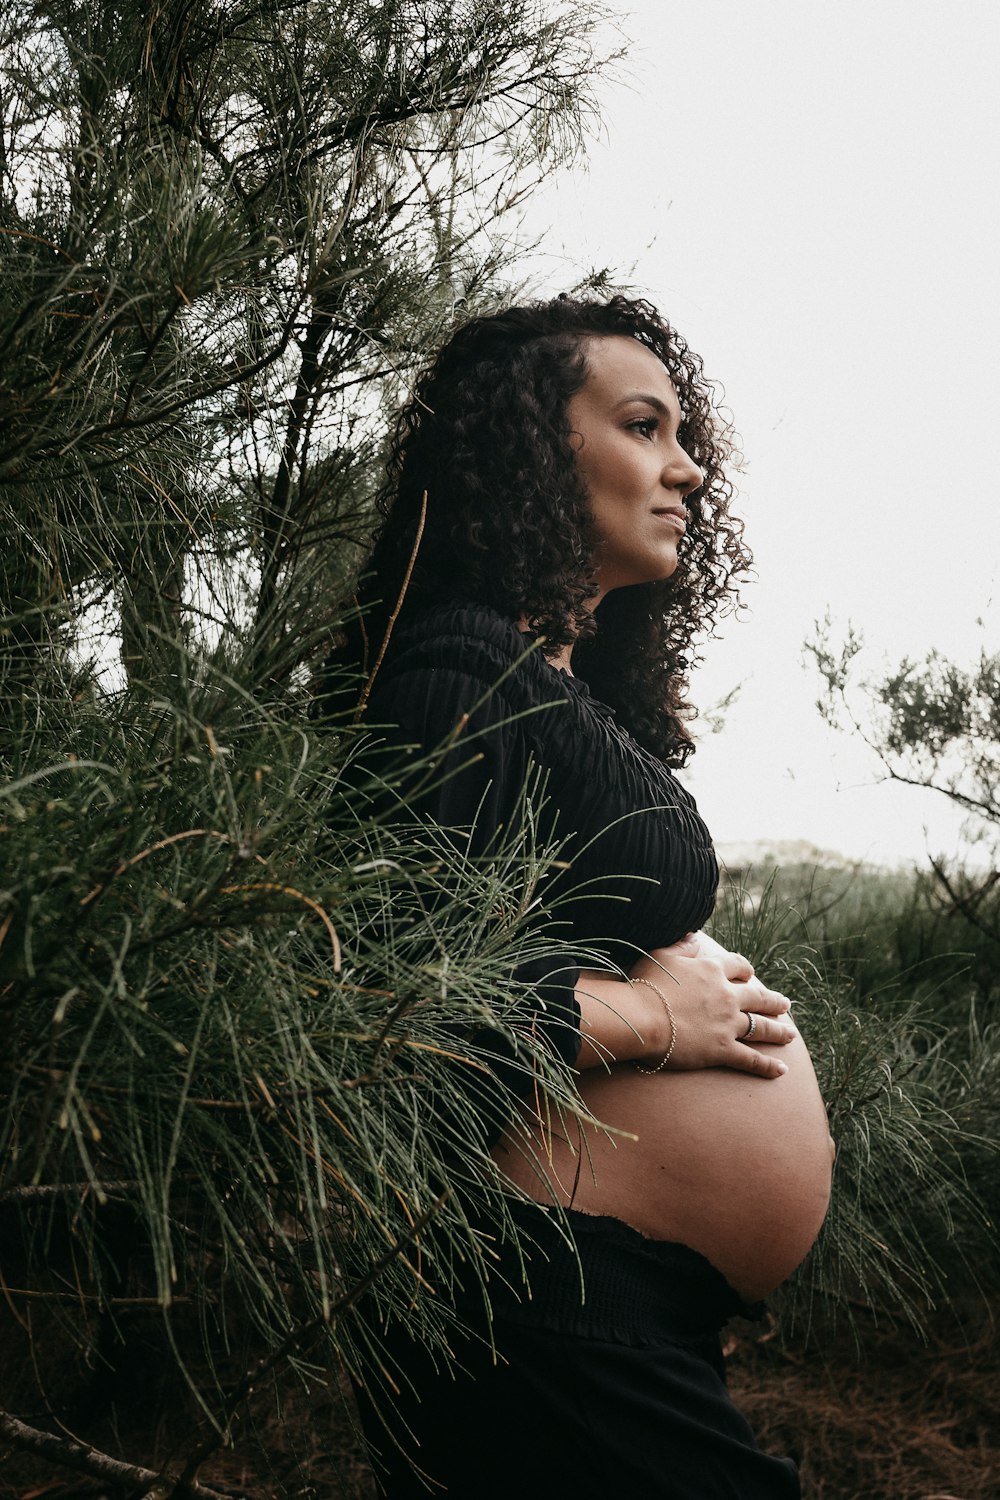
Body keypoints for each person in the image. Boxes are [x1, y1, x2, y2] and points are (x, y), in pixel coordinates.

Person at [333, 295, 834, 1497]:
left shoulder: (543, 682)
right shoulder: (457, 669)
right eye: (643, 426)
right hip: (535, 1295)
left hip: (598, 1299)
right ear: (529, 449)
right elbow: (396, 1007)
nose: (689, 467)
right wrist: (662, 1022)